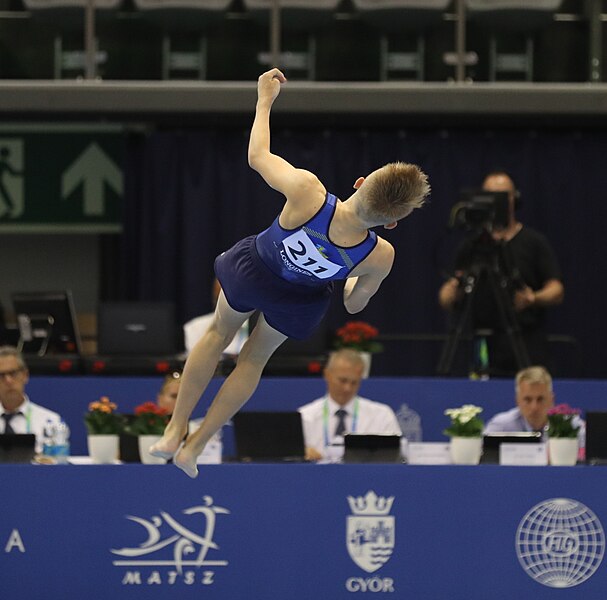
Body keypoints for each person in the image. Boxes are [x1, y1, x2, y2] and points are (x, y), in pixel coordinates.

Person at [150, 67, 429, 478]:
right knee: (253, 361)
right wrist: (346, 271)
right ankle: (196, 445)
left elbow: (257, 157)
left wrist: (265, 100)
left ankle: (175, 428)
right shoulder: (379, 254)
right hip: (299, 301)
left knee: (217, 334)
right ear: (392, 222)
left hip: (256, 270)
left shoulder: (308, 193)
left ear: (361, 181)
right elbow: (353, 304)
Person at [438, 170, 564, 376]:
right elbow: (447, 294)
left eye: (502, 197)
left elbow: (556, 289)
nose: (495, 203)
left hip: (525, 340)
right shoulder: (471, 246)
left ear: (514, 199)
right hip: (481, 342)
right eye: (489, 196)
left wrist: (533, 298)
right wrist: (451, 292)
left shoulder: (534, 242)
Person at [298, 349, 402, 462]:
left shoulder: (381, 416)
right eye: (343, 381)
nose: (347, 388)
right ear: (327, 374)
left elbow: (396, 458)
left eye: (354, 382)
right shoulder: (304, 417)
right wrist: (300, 454)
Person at [484, 365, 585, 449]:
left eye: (540, 399)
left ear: (552, 399)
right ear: (517, 401)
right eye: (527, 400)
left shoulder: (570, 426)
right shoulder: (500, 426)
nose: (534, 407)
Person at [0, 345, 62, 453]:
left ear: (25, 375)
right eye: (1, 375)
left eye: (13, 373)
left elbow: (56, 466)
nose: (8, 380)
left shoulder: (49, 422)